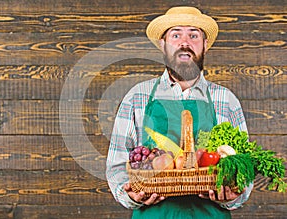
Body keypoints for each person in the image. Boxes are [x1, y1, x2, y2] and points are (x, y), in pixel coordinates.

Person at [106, 6, 253, 219]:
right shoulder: (138, 96)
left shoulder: (226, 100)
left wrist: (232, 196)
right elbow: (117, 165)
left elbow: (244, 169)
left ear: (204, 46)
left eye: (193, 35)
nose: (185, 43)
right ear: (163, 45)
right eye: (176, 35)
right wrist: (130, 195)